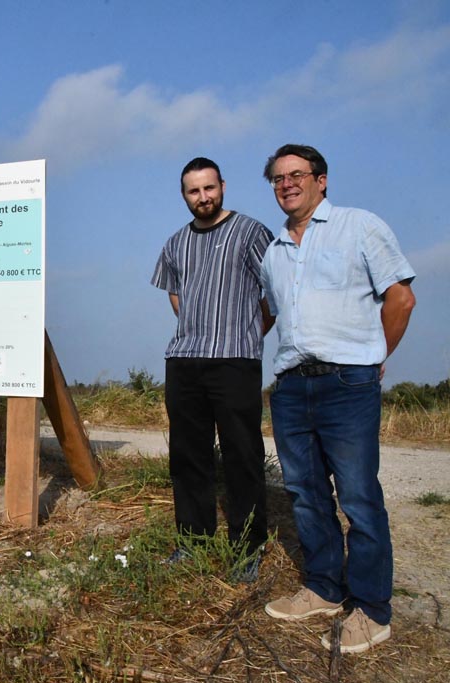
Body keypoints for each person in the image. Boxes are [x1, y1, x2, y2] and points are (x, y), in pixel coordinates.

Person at [260, 144, 416, 654]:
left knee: (358, 496)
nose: (287, 184)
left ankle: (372, 609)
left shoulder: (359, 226)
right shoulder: (273, 251)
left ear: (321, 180)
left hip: (347, 384)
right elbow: (270, 314)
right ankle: (324, 588)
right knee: (305, 493)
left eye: (296, 174)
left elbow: (401, 298)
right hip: (290, 386)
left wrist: (374, 356)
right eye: (278, 178)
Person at [151, 157, 273, 581]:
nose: (203, 197)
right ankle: (192, 542)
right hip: (184, 360)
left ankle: (247, 548)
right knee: (188, 457)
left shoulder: (252, 232)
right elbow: (176, 295)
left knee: (242, 455)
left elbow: (274, 295)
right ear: (184, 195)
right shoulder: (175, 243)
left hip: (236, 359)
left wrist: (246, 335)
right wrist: (197, 330)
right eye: (194, 191)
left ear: (222, 185)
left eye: (209, 188)